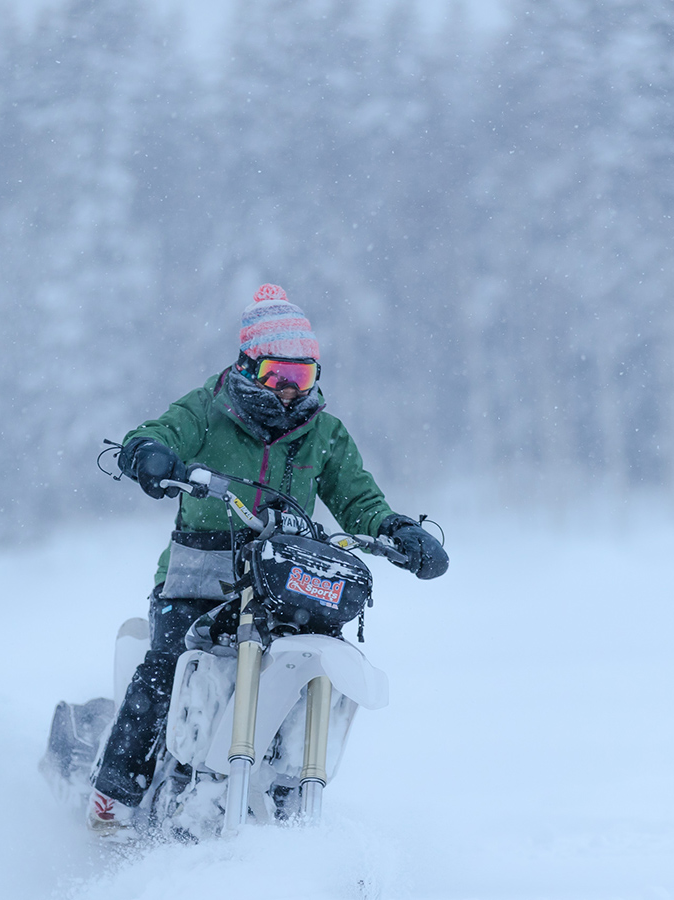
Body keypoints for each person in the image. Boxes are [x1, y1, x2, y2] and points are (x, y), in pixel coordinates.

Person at [87, 284, 448, 833]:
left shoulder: (322, 431)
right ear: (248, 366)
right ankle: (113, 799)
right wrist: (149, 454)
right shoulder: (207, 409)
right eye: (278, 375)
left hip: (281, 580)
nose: (288, 390)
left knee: (310, 661)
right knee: (164, 666)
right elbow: (158, 433)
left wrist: (396, 529)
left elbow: (358, 499)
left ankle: (286, 803)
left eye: (301, 378)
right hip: (197, 578)